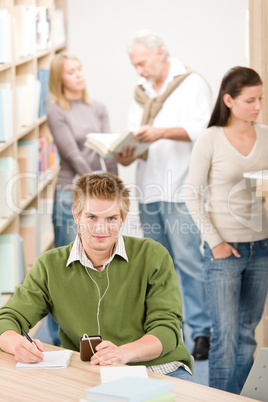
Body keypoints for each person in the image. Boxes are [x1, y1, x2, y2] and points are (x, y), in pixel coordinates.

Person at [0, 172, 193, 382]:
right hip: (92, 372)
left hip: (158, 368)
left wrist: (123, 353)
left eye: (111, 218)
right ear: (76, 215)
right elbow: (8, 318)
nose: (101, 228)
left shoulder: (152, 256)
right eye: (91, 217)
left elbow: (167, 330)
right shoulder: (49, 265)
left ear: (123, 220)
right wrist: (16, 344)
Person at [115, 30, 211, 360]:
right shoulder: (141, 92)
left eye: (141, 63)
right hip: (148, 189)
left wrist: (159, 132)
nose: (139, 70)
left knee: (188, 261)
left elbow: (203, 129)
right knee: (159, 264)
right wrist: (124, 152)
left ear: (159, 54)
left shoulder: (191, 83)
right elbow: (134, 136)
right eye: (134, 65)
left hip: (181, 187)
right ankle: (171, 330)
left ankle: (202, 331)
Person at [186, 66, 268, 393]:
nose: (258, 106)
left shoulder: (266, 135)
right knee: (225, 335)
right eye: (250, 100)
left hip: (261, 246)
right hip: (224, 250)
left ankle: (243, 397)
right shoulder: (210, 139)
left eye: (260, 98)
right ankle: (220, 398)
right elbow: (191, 196)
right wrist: (215, 242)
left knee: (248, 333)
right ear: (229, 101)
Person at [46, 53, 118, 345]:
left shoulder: (98, 106)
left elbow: (109, 149)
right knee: (68, 267)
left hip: (98, 197)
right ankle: (59, 337)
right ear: (59, 78)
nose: (78, 75)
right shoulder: (55, 110)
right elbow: (72, 154)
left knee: (99, 263)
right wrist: (96, 187)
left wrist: (114, 187)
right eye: (70, 71)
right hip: (70, 194)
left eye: (79, 69)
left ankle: (92, 332)